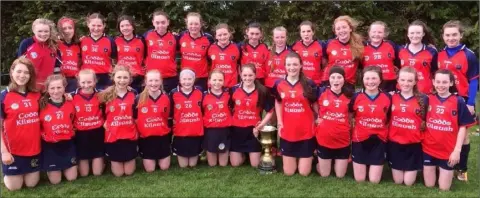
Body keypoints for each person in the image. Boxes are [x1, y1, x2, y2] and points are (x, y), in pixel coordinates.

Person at [437, 20, 479, 181]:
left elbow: (474, 80)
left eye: (454, 34)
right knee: (444, 131)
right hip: (443, 98)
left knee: (464, 136)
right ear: (443, 36)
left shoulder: (469, 54)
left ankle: (462, 169)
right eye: (447, 35)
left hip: (463, 100)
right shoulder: (440, 54)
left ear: (461, 35)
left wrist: (470, 103)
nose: (451, 38)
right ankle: (443, 162)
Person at [422, 69, 475, 191]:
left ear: (451, 83)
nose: (441, 85)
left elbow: (463, 127)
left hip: (448, 150)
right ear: (433, 82)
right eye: (438, 82)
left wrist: (457, 150)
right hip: (428, 148)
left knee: (444, 188)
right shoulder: (428, 99)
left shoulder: (458, 101)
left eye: (445, 82)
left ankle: (445, 169)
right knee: (429, 185)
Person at [272, 52, 317, 176]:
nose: (292, 67)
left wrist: (318, 119)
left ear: (301, 65)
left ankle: (313, 158)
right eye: (289, 65)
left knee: (304, 173)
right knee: (289, 172)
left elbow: (315, 104)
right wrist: (280, 122)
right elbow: (278, 102)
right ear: (285, 66)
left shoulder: (309, 84)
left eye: (295, 64)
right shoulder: (278, 84)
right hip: (288, 130)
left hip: (306, 130)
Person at [1, 58, 42, 191]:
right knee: (15, 187)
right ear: (12, 72)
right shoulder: (4, 96)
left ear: (30, 75)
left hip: (34, 149)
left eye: (26, 72)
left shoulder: (37, 94)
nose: (22, 76)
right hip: (13, 151)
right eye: (19, 71)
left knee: (31, 184)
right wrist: (4, 152)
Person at [349, 66, 391, 183]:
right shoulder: (356, 96)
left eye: (374, 78)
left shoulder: (387, 97)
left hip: (379, 140)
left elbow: (389, 118)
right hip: (359, 140)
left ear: (380, 80)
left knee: (374, 181)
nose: (370, 82)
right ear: (362, 80)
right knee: (360, 179)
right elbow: (350, 116)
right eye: (367, 78)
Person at [387, 66, 427, 186]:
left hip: (413, 144)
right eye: (403, 80)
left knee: (409, 182)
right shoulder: (391, 97)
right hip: (395, 143)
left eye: (410, 80)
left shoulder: (424, 99)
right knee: (398, 181)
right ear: (398, 80)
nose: (406, 83)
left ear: (415, 82)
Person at [230, 64, 273, 167]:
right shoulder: (233, 89)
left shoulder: (262, 91)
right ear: (240, 75)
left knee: (255, 164)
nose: (247, 78)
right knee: (235, 164)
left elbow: (270, 111)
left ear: (255, 75)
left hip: (253, 131)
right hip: (237, 131)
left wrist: (261, 125)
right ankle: (244, 155)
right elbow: (229, 108)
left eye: (250, 75)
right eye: (245, 75)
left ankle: (258, 153)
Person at [99, 65, 137, 177]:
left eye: (125, 78)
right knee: (118, 174)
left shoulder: (134, 93)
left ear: (130, 79)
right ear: (113, 77)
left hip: (129, 135)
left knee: (129, 172)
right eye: (119, 77)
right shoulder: (105, 94)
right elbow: (97, 111)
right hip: (113, 136)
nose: (122, 80)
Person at [39, 74, 78, 184]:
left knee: (72, 178)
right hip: (50, 146)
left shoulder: (71, 102)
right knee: (55, 181)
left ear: (65, 87)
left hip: (67, 144)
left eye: (59, 87)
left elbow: (75, 119)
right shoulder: (41, 105)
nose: (56, 91)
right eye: (52, 88)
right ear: (47, 89)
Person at [315, 66, 353, 178]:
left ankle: (336, 162)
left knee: (340, 175)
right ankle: (319, 164)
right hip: (324, 139)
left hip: (342, 139)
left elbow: (351, 114)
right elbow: (312, 103)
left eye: (339, 77)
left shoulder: (350, 95)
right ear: (329, 78)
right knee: (325, 174)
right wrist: (318, 116)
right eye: (333, 77)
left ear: (344, 79)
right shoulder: (321, 92)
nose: (336, 80)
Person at [135, 70, 172, 172]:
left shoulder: (166, 98)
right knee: (150, 170)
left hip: (162, 138)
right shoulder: (138, 98)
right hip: (146, 139)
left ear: (161, 82)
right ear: (145, 82)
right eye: (150, 80)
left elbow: (168, 117)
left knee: (164, 168)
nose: (153, 83)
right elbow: (134, 118)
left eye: (156, 80)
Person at [71, 69, 105, 177]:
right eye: (83, 82)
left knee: (97, 173)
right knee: (84, 174)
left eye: (89, 82)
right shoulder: (71, 96)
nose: (86, 85)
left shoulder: (102, 95)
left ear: (95, 81)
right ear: (78, 82)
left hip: (98, 132)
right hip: (81, 134)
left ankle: (103, 161)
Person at [170, 69, 204, 168]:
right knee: (183, 165)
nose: (187, 82)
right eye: (184, 79)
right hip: (181, 132)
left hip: (195, 131)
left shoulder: (200, 91)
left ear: (194, 79)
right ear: (180, 80)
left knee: (192, 164)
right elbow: (171, 112)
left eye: (190, 79)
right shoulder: (173, 93)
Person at [322, 15, 364, 92]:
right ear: (335, 32)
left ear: (350, 28)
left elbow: (362, 65)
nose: (341, 30)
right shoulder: (329, 44)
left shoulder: (360, 45)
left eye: (344, 27)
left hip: (349, 84)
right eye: (338, 29)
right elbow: (323, 62)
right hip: (330, 82)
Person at [17, 18, 60, 90]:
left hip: (48, 88)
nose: (43, 34)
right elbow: (19, 66)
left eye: (46, 31)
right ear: (34, 30)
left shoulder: (54, 45)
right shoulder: (27, 43)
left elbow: (57, 68)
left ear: (50, 32)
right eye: (40, 31)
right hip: (29, 86)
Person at [397, 20, 437, 94]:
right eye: (412, 33)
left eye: (418, 33)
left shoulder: (432, 51)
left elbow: (435, 72)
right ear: (408, 34)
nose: (415, 36)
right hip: (403, 91)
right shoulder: (400, 50)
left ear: (423, 34)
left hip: (425, 92)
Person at [177, 12, 214, 91]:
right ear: (187, 24)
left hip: (201, 78)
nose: (193, 26)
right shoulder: (181, 36)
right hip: (185, 78)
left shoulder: (209, 38)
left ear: (201, 24)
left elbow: (212, 59)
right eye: (191, 24)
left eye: (196, 24)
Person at [144, 10, 178, 93]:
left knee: (168, 103)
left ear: (168, 22)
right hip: (152, 79)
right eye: (157, 22)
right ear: (153, 23)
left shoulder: (175, 37)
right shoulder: (146, 36)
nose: (160, 25)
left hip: (170, 77)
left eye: (163, 22)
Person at [202, 69, 232, 166]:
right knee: (212, 164)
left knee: (223, 164)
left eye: (220, 80)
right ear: (209, 81)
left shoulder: (229, 94)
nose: (217, 83)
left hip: (224, 129)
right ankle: (206, 153)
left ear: (224, 81)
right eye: (214, 80)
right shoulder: (203, 95)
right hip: (210, 130)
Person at [80, 13, 117, 90]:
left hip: (105, 78)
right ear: (88, 24)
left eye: (99, 26)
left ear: (104, 25)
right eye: (93, 25)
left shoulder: (110, 41)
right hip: (87, 79)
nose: (96, 28)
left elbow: (115, 59)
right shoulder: (82, 41)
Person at [362, 21, 398, 92]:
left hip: (389, 83)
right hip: (370, 83)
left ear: (384, 34)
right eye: (374, 32)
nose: (376, 34)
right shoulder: (363, 47)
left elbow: (398, 62)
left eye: (379, 32)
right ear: (369, 33)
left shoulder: (391, 45)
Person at [115, 15, 146, 93]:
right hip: (121, 78)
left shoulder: (142, 40)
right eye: (122, 26)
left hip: (137, 78)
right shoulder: (116, 41)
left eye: (128, 25)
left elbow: (147, 57)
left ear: (133, 27)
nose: (125, 28)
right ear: (119, 28)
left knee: (136, 101)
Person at [208, 23, 241, 88]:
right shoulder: (211, 48)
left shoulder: (237, 47)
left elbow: (240, 65)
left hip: (231, 85)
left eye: (225, 34)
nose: (222, 37)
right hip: (215, 85)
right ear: (216, 36)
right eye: (219, 35)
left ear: (229, 34)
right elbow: (208, 65)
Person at [291, 21, 323, 85]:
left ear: (313, 32)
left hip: (316, 83)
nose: (306, 34)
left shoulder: (321, 45)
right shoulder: (295, 46)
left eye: (308, 31)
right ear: (300, 33)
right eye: (303, 31)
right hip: (299, 82)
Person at [57, 16, 81, 93]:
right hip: (59, 81)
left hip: (75, 81)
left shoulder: (79, 45)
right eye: (64, 28)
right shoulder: (55, 44)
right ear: (60, 30)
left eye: (70, 28)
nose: (67, 31)